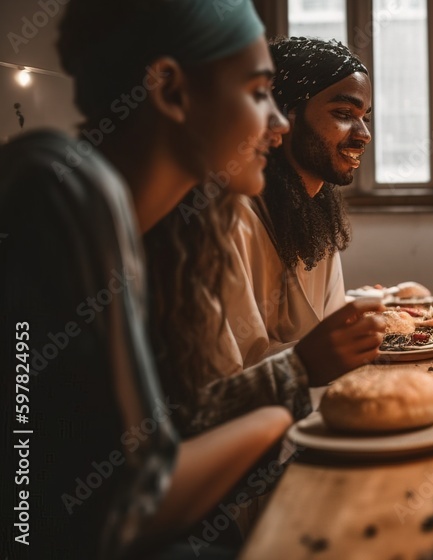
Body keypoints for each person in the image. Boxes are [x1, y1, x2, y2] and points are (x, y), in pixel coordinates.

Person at [0, 1, 294, 558]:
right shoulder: (64, 185)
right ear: (170, 91)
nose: (278, 123)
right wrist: (276, 415)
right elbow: (123, 506)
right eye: (258, 92)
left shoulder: (157, 234)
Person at [144, 37, 386, 437]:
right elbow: (207, 399)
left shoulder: (315, 209)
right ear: (286, 111)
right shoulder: (225, 217)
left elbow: (328, 331)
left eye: (365, 118)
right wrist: (304, 365)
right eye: (344, 113)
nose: (363, 134)